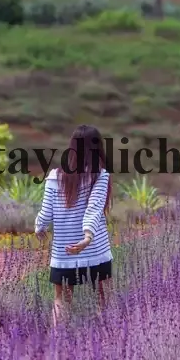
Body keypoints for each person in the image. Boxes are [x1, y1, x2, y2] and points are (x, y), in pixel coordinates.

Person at [34, 125, 113, 325]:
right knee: (104, 300)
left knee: (61, 301)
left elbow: (47, 211)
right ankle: (105, 342)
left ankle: (55, 344)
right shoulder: (100, 175)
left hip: (64, 250)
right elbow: (94, 208)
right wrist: (87, 237)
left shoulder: (54, 176)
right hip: (95, 248)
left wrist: (39, 227)